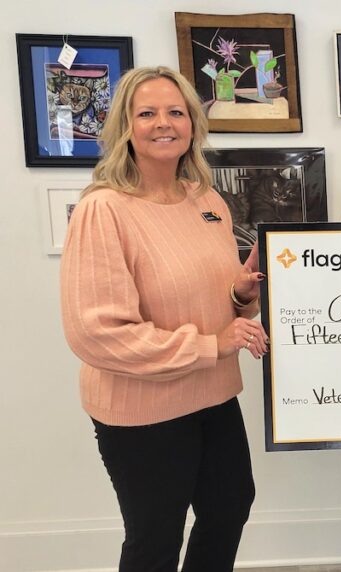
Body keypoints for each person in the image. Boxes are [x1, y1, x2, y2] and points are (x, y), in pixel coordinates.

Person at [60, 66, 267, 572]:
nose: (163, 123)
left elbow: (211, 299)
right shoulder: (103, 209)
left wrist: (239, 296)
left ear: (193, 124)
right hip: (142, 410)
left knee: (228, 507)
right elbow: (98, 333)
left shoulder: (207, 202)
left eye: (176, 112)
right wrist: (213, 344)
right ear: (124, 126)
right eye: (147, 113)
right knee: (155, 537)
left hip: (213, 395)